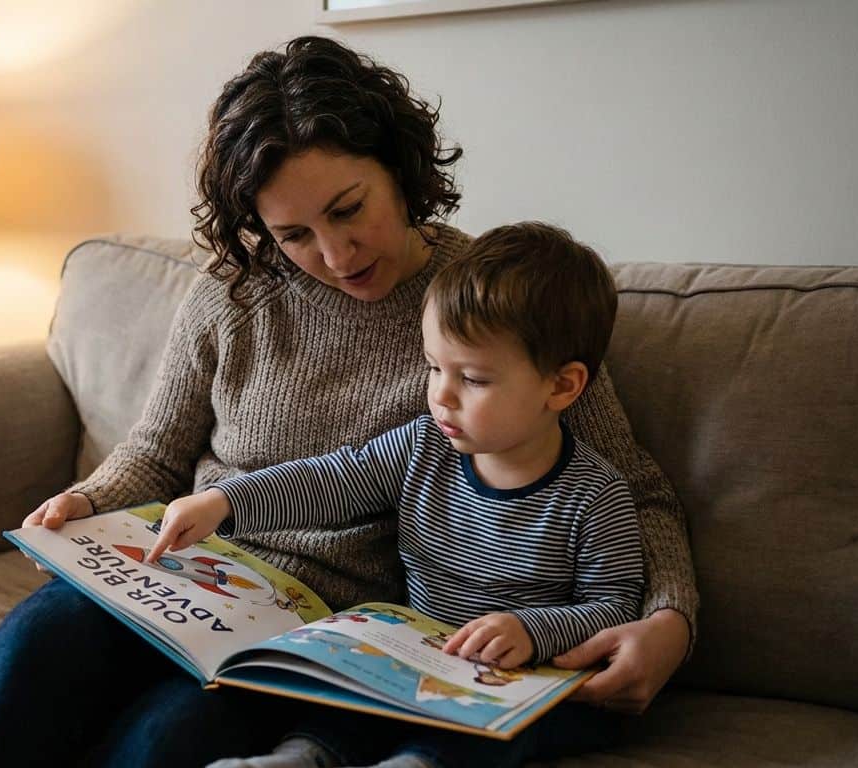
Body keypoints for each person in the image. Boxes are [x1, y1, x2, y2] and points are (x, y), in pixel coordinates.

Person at [0, 36, 697, 768]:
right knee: (34, 648)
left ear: (399, 169)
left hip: (322, 630)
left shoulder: (483, 311)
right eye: (293, 234)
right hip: (184, 575)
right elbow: (156, 452)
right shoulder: (234, 296)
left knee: (167, 739)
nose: (334, 255)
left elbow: (630, 489)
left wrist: (668, 623)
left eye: (349, 209)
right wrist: (84, 504)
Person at [148, 222, 645, 768]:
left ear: (562, 386)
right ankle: (303, 757)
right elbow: (329, 481)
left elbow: (616, 606)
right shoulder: (422, 447)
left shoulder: (596, 496)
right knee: (350, 692)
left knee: (479, 733)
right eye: (435, 368)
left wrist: (532, 630)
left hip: (537, 682)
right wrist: (226, 502)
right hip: (425, 659)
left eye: (474, 379)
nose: (442, 395)